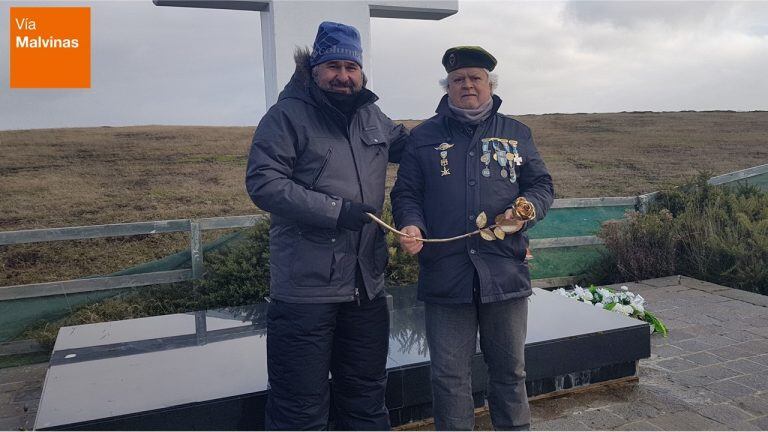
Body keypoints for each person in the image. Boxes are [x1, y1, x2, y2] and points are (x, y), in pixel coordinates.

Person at [245, 21, 408, 430]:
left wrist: (455, 124)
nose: (343, 76)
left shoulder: (373, 116)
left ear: (361, 73)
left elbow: (417, 147)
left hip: (365, 286)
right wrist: (336, 210)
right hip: (305, 290)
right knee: (298, 407)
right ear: (315, 68)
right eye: (333, 66)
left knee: (367, 395)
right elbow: (264, 182)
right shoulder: (286, 116)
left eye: (351, 67)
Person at [390, 46, 554, 431]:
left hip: (504, 272)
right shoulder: (424, 137)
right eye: (458, 79)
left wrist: (528, 206)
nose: (467, 85)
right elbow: (406, 194)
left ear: (489, 84)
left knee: (510, 372)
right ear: (447, 87)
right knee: (448, 378)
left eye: (474, 78)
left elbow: (541, 184)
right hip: (447, 276)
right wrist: (412, 225)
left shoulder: (516, 134)